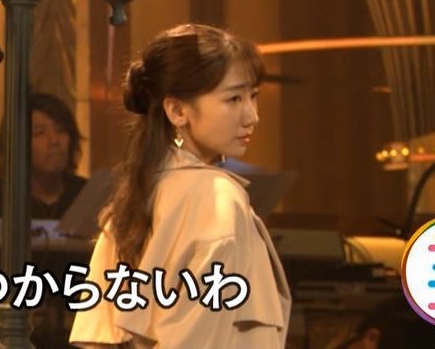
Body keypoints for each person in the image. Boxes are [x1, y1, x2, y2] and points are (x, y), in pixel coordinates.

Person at [70, 24, 290, 349]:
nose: (252, 116)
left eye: (253, 96)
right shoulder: (217, 198)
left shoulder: (136, 195)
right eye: (234, 98)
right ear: (177, 110)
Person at [0, 92, 87, 219]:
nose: (54, 141)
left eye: (61, 130)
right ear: (17, 142)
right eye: (39, 133)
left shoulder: (87, 194)